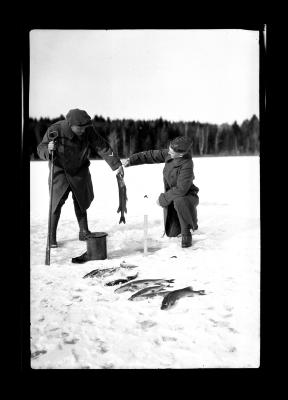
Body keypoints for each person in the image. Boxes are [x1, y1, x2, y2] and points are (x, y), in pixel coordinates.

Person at [37, 108, 124, 248]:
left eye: (85, 127)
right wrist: (48, 150)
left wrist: (116, 164)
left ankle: (84, 231)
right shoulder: (55, 130)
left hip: (80, 170)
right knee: (56, 203)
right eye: (80, 128)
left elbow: (102, 146)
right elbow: (41, 147)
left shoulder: (87, 130)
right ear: (71, 124)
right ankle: (51, 237)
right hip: (60, 171)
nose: (83, 130)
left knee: (81, 200)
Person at [124, 136, 199, 248]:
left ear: (181, 154)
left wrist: (163, 199)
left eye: (172, 151)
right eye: (169, 148)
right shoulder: (170, 154)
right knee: (172, 233)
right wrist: (132, 160)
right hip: (173, 195)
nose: (169, 151)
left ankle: (186, 232)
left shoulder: (187, 164)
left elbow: (181, 189)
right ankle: (180, 221)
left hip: (186, 196)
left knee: (179, 200)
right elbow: (150, 155)